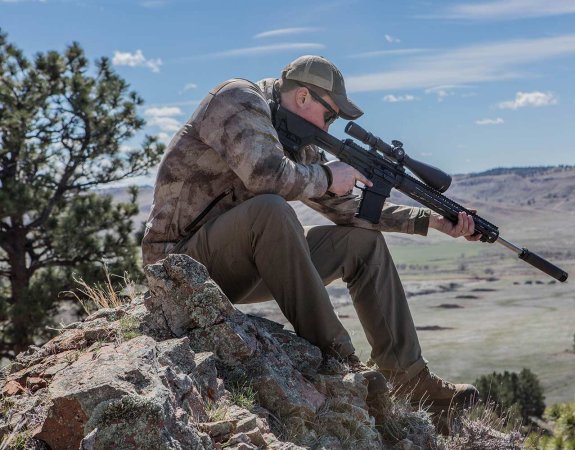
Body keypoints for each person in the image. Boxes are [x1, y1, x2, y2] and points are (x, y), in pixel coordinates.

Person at [141, 55, 480, 409]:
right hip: (177, 268)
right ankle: (340, 363)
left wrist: (433, 220)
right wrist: (330, 177)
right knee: (271, 210)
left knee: (361, 242)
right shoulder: (237, 99)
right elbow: (266, 175)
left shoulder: (298, 140)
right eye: (330, 115)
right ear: (303, 97)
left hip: (236, 265)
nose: (329, 128)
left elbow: (349, 211)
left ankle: (411, 381)